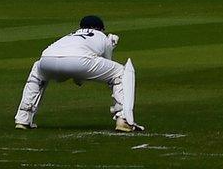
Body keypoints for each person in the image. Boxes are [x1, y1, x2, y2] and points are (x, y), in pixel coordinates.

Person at [13, 15, 141, 133]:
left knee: (37, 70)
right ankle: (123, 119)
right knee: (120, 73)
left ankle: (23, 118)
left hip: (47, 59)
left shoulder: (70, 35)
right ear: (100, 28)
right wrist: (110, 45)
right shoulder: (102, 36)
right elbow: (106, 64)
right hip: (79, 62)